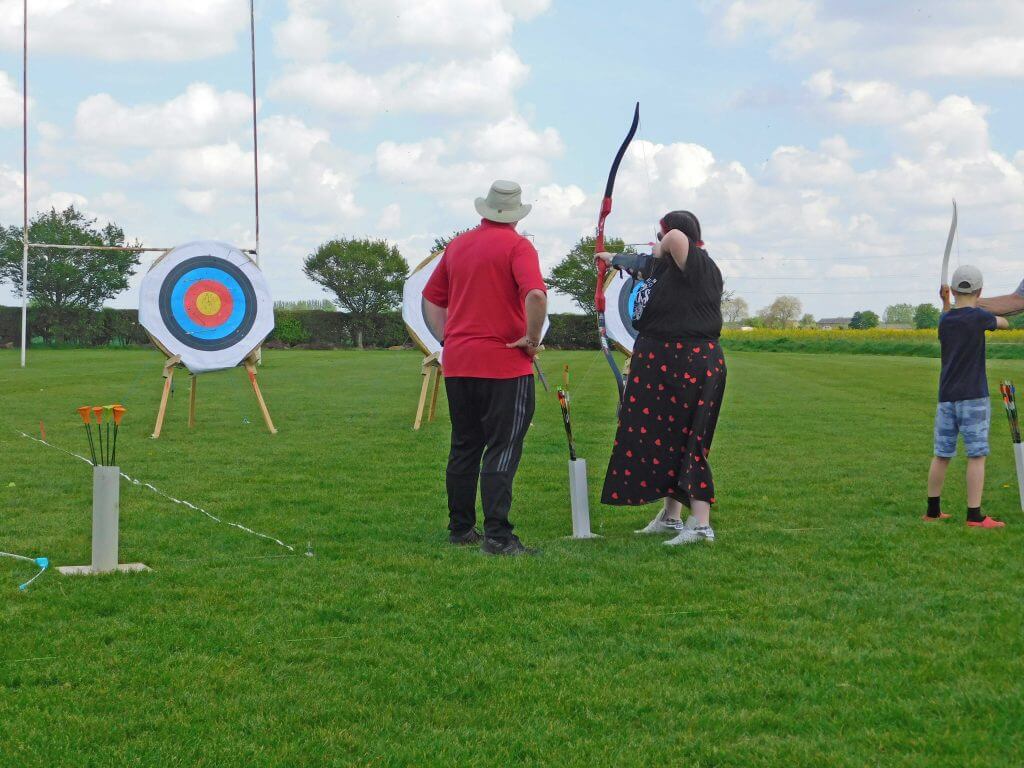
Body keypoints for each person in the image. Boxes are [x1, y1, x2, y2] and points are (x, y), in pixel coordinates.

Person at [422, 180, 547, 556]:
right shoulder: (519, 246)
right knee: (503, 447)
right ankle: (497, 537)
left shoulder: (458, 246)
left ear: (485, 210)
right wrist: (532, 337)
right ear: (516, 214)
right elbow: (537, 294)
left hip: (459, 363)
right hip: (505, 365)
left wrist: (449, 338)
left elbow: (431, 300)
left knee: (464, 445)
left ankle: (461, 530)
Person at [597, 210, 725, 545]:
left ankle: (700, 525)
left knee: (689, 438)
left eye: (660, 234)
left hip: (688, 363)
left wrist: (662, 240)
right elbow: (648, 264)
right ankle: (671, 518)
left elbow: (675, 239)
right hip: (664, 360)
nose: (658, 241)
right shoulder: (672, 268)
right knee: (666, 438)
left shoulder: (696, 264)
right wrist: (613, 258)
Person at [926, 265, 1009, 528]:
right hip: (973, 397)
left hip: (946, 397)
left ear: (953, 289)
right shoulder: (979, 317)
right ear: (980, 290)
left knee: (941, 454)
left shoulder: (945, 320)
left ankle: (932, 511)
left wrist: (945, 302)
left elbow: (949, 317)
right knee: (976, 455)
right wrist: (985, 309)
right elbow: (1004, 323)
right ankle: (974, 515)